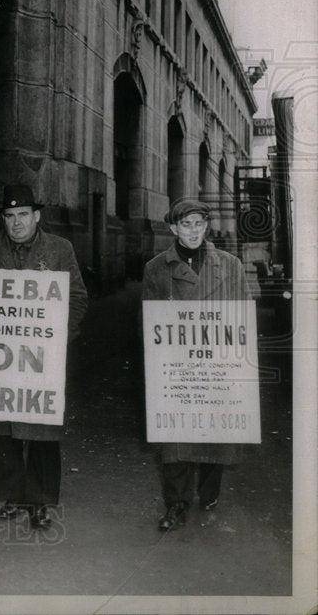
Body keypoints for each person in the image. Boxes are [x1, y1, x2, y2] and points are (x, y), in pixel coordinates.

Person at [0, 183, 88, 528]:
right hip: (1, 357)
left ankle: (39, 501)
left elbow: (79, 298)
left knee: (41, 429)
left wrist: (57, 339)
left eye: (23, 214)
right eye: (9, 216)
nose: (16, 223)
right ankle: (13, 496)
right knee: (3, 429)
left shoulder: (59, 249)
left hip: (42, 358)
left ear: (36, 216)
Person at [142, 199, 251, 530]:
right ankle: (176, 504)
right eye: (186, 225)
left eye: (199, 224)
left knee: (215, 431)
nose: (193, 231)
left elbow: (243, 315)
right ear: (173, 228)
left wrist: (240, 364)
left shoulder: (230, 265)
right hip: (176, 367)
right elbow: (146, 321)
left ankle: (209, 494)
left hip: (216, 365)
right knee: (175, 437)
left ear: (207, 227)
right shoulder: (157, 268)